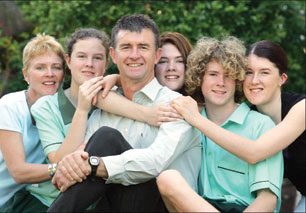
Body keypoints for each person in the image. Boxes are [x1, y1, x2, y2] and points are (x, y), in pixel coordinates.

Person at [48, 14, 201, 212]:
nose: (134, 55)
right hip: (113, 205)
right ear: (113, 54)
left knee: (107, 137)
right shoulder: (102, 110)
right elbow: (82, 159)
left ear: (156, 55)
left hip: (162, 207)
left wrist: (94, 165)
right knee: (102, 140)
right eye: (126, 47)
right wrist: (72, 166)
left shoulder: (176, 106)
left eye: (143, 47)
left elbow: (154, 163)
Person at [169, 40, 306, 212]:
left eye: (264, 72)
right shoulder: (246, 116)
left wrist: (197, 119)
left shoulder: (300, 108)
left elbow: (254, 152)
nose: (255, 80)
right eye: (249, 72)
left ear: (282, 79)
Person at [0, 34, 65, 212]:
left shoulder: (62, 109)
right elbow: (18, 172)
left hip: (26, 200)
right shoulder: (9, 107)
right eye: (40, 67)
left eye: (56, 67)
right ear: (26, 74)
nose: (49, 74)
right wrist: (62, 168)